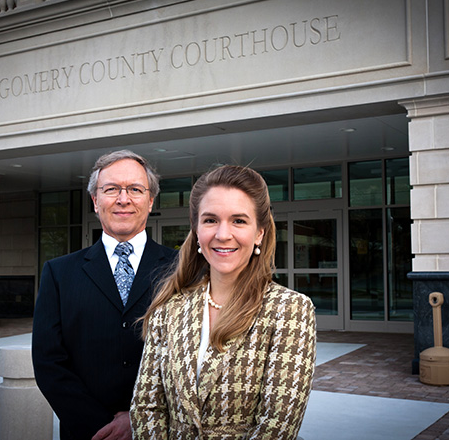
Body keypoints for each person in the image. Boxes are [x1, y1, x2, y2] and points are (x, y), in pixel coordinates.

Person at [130, 165, 316, 439]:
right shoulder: (168, 309)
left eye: (239, 221)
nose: (223, 234)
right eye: (210, 220)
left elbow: (277, 426)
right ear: (196, 230)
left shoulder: (290, 310)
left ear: (260, 232)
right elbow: (146, 407)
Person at [32, 150, 177, 440]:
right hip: (88, 433)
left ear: (150, 201)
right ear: (96, 201)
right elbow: (48, 363)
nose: (123, 199)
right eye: (111, 189)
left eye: (135, 189)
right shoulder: (59, 273)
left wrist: (140, 419)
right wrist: (100, 425)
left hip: (161, 431)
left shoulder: (183, 270)